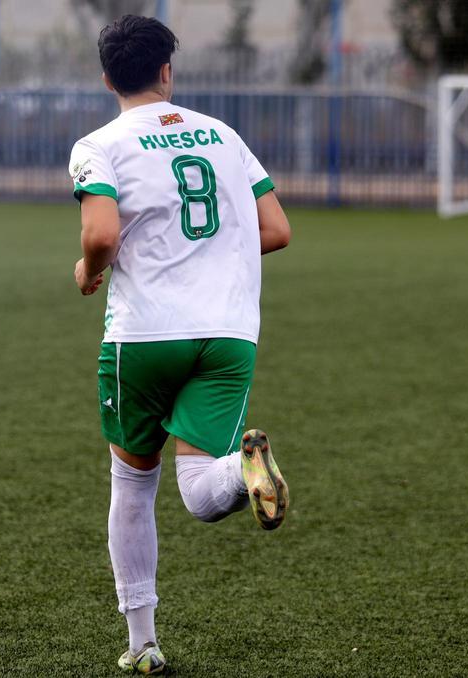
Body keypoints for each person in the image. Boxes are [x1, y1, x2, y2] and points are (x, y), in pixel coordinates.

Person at [68, 15, 292, 675]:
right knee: (201, 489)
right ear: (168, 70)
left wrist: (87, 272)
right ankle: (245, 471)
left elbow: (102, 236)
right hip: (227, 334)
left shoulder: (98, 145)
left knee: (133, 485)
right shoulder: (224, 135)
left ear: (107, 76)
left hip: (144, 334)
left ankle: (142, 644)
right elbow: (275, 228)